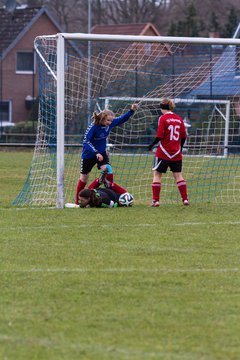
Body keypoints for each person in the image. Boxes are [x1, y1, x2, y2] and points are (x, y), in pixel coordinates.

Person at [75, 103, 138, 204]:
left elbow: (122, 119)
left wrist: (132, 111)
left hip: (102, 153)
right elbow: (85, 141)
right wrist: (95, 152)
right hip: (88, 155)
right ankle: (78, 201)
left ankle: (112, 193)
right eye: (108, 120)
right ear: (102, 118)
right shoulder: (93, 127)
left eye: (111, 120)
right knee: (84, 178)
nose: (110, 122)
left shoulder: (110, 123)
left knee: (108, 170)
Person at [148, 98, 189, 207]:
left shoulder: (163, 118)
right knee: (178, 175)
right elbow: (184, 136)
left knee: (157, 174)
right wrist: (180, 148)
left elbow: (159, 136)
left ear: (162, 108)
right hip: (176, 153)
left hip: (164, 153)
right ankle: (185, 199)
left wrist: (152, 145)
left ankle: (155, 201)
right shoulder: (179, 119)